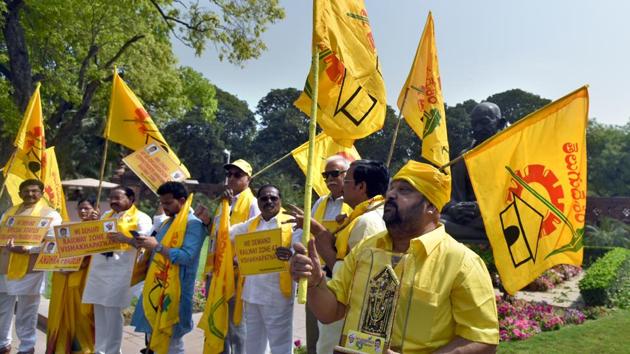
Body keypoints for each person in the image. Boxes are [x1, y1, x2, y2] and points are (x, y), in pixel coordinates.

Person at [290, 161, 499, 353]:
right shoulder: (367, 249)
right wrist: (316, 282)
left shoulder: (461, 262)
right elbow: (330, 313)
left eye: (405, 190)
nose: (390, 195)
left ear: (432, 207)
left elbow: (483, 340)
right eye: (392, 188)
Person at [285, 159, 389, 353]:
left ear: (361, 186)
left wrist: (325, 249)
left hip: (346, 313)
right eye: (327, 176)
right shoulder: (361, 215)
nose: (341, 187)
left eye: (346, 180)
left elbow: (357, 279)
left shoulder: (368, 222)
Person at [131, 182, 205, 354]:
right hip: (156, 288)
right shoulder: (167, 223)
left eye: (168, 203)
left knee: (171, 343)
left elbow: (186, 257)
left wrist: (157, 247)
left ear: (182, 200)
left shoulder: (193, 224)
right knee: (153, 341)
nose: (164, 207)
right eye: (162, 203)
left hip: (175, 291)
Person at [196, 158, 259, 354]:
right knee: (218, 319)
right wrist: (207, 221)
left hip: (236, 274)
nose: (231, 178)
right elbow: (217, 236)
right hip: (216, 272)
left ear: (248, 179)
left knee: (236, 326)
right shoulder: (224, 203)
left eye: (237, 175)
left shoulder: (253, 204)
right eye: (229, 174)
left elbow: (254, 238)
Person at [230, 185, 301, 354]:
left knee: (280, 345)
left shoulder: (291, 223)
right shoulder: (252, 223)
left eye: (273, 198)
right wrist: (224, 209)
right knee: (253, 345)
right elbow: (228, 233)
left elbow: (302, 250)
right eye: (264, 198)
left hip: (277, 296)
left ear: (280, 201)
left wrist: (290, 254)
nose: (269, 201)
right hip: (252, 295)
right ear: (259, 202)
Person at [82, 187, 152, 354]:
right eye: (111, 198)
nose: (113, 201)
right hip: (99, 270)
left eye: (117, 198)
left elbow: (145, 245)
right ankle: (100, 350)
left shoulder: (141, 218)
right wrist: (93, 223)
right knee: (99, 311)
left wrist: (125, 239)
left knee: (112, 313)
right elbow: (93, 237)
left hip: (120, 272)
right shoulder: (106, 215)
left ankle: (113, 351)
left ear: (131, 199)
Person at [0, 179, 62, 354]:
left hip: (30, 267)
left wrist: (28, 249)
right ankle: (3, 343)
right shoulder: (8, 212)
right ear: (19, 194)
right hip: (4, 265)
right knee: (2, 308)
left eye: (34, 191)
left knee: (27, 310)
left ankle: (26, 347)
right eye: (26, 191)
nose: (30, 194)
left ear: (41, 193)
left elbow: (53, 243)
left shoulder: (51, 214)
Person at [441, 102, 507, 241]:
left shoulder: (511, 151)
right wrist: (455, 208)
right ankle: (489, 236)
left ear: (500, 123)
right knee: (435, 222)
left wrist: (479, 206)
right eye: (474, 124)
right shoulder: (464, 157)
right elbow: (453, 195)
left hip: (498, 214)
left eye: (484, 122)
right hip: (470, 219)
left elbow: (515, 194)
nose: (477, 129)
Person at [46, 197, 99, 354]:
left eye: (87, 208)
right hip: (64, 277)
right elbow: (58, 252)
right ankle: (62, 349)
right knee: (64, 314)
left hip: (84, 279)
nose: (83, 211)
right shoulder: (71, 230)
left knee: (83, 314)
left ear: (95, 209)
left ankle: (85, 349)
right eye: (80, 208)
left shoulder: (97, 228)